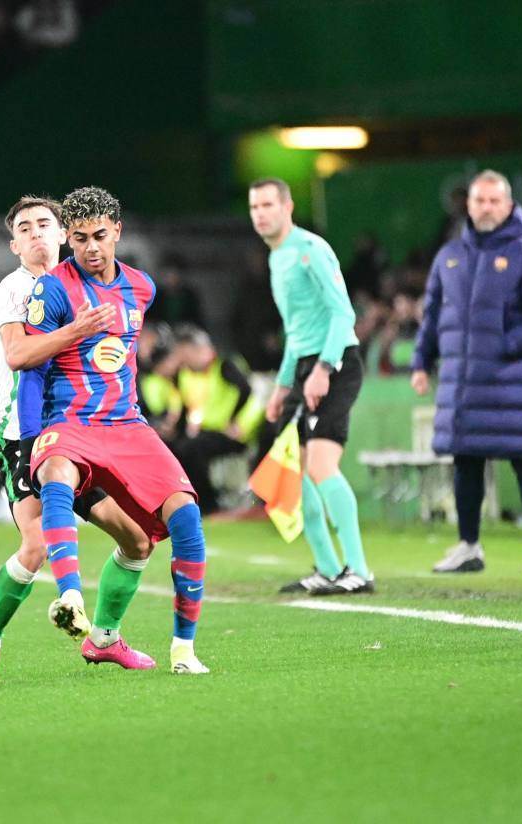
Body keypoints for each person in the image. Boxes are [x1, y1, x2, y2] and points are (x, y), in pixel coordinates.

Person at [21, 186, 210, 675]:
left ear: (117, 232)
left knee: (186, 516)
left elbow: (123, 354)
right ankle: (69, 597)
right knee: (58, 474)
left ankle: (183, 651)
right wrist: (30, 440)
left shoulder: (142, 287)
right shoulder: (53, 289)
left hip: (126, 423)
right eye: (81, 237)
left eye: (100, 236)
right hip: (69, 421)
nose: (91, 248)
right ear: (68, 237)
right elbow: (28, 365)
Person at [0, 194, 152, 683]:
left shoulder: (86, 283)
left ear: (63, 234)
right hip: (22, 437)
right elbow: (17, 355)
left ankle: (105, 639)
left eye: (44, 224)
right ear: (14, 245)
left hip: (80, 434)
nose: (35, 233)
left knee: (136, 539)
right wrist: (77, 329)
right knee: (36, 545)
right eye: (24, 228)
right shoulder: (15, 289)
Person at [412, 170, 522, 573]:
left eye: (495, 201)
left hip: (509, 382)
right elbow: (432, 316)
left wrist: (505, 348)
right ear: (469, 205)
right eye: (480, 200)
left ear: (509, 205)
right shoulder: (448, 256)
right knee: (466, 462)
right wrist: (421, 362)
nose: (487, 208)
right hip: (460, 384)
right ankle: (469, 547)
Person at [250, 177, 373, 595]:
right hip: (304, 367)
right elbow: (296, 331)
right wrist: (282, 386)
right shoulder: (277, 257)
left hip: (336, 363)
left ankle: (359, 570)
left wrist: (323, 368)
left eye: (268, 205)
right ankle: (327, 567)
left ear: (287, 207)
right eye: (254, 207)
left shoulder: (311, 249)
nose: (260, 214)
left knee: (321, 466)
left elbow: (343, 314)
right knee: (296, 472)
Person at [173, 324, 262, 513]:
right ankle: (191, 499)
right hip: (205, 432)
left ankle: (208, 503)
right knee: (177, 447)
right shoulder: (187, 374)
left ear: (202, 349)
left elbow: (247, 392)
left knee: (193, 449)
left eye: (188, 355)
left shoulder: (225, 366)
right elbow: (186, 406)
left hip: (231, 434)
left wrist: (237, 422)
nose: (185, 361)